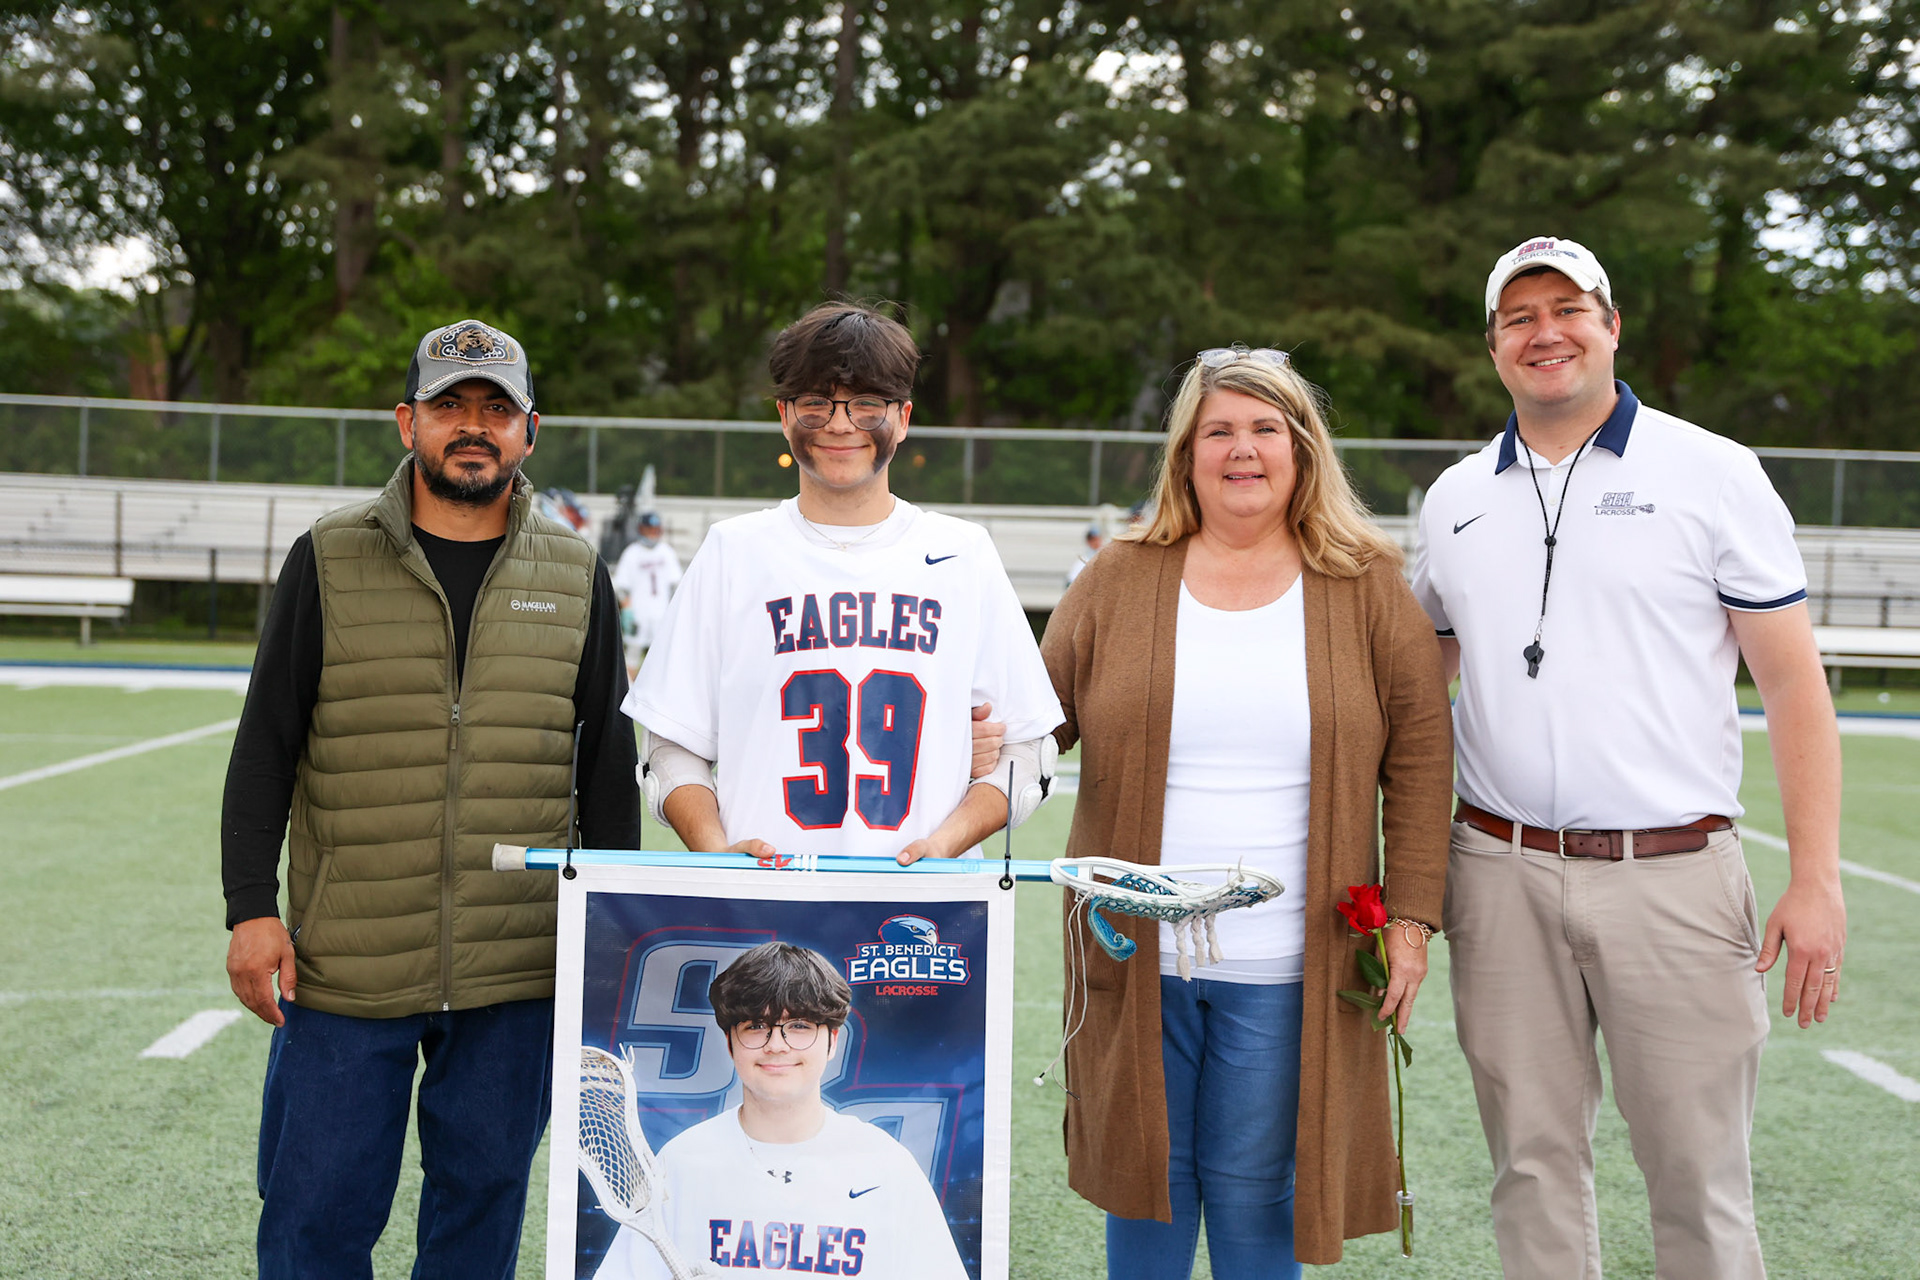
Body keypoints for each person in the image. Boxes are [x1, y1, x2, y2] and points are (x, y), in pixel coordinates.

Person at [1410, 236, 1847, 1279]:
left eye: (1568, 309)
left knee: (1697, 1179)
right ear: (1493, 346)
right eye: (1519, 317)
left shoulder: (1714, 472)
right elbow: (1420, 682)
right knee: (1530, 1168)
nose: (1545, 333)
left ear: (1611, 326)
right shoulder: (1455, 496)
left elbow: (1794, 685)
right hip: (1499, 872)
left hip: (1674, 873)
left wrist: (1818, 879)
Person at [220, 318, 641, 1279]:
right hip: (346, 962)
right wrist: (251, 909)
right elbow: (265, 745)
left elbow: (606, 770)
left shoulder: (576, 573)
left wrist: (610, 939)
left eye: (496, 408)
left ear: (530, 432)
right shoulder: (327, 556)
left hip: (515, 966)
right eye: (450, 406)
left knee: (480, 1213)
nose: (473, 427)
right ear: (407, 423)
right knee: (315, 1215)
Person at [1038, 346, 1454, 1276]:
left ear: (1302, 449)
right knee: (1144, 1180)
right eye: (1218, 430)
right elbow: (1034, 725)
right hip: (1133, 951)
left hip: (1288, 961)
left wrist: (1412, 922)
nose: (1243, 449)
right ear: (1186, 454)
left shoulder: (1365, 584)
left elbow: (1423, 762)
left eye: (1267, 428)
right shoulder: (1118, 576)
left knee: (1259, 1188)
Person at [626, 301, 1062, 864]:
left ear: (902, 418)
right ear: (784, 414)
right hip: (766, 898)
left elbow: (1027, 753)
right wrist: (719, 851)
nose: (839, 423)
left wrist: (945, 844)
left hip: (922, 904)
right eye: (815, 403)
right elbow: (669, 747)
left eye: (867, 403)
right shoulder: (732, 552)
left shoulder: (963, 554)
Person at [595, 942, 967, 1279]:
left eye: (799, 1025)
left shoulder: (885, 1164)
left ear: (832, 1041)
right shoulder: (682, 1161)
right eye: (757, 1026)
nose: (777, 1044)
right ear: (730, 1042)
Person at [611, 510, 683, 676]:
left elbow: (676, 583)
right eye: (649, 529)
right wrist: (627, 609)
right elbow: (621, 586)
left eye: (656, 530)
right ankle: (630, 688)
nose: (652, 533)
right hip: (639, 613)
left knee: (663, 657)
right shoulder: (632, 553)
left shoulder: (666, 551)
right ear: (641, 529)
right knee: (632, 656)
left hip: (661, 613)